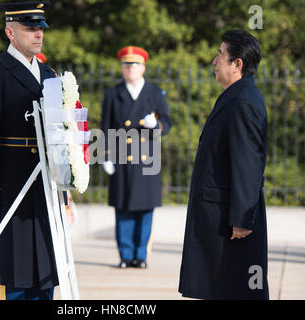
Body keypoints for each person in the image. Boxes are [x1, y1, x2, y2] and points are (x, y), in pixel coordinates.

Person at [0, 1, 59, 300]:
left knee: (44, 276)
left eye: (40, 28)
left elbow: (58, 138)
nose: (38, 34)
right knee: (13, 278)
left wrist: (62, 195)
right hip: (10, 190)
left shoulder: (50, 75)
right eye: (30, 28)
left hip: (43, 193)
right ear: (10, 32)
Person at [178, 30, 269, 300]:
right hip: (219, 218)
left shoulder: (244, 102)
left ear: (237, 64)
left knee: (236, 291)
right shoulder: (236, 96)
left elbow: (247, 164)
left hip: (231, 224)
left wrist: (241, 220)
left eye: (220, 55)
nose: (214, 61)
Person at [101, 46, 172, 269]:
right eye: (126, 65)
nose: (130, 69)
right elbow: (105, 127)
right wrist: (105, 155)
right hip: (121, 157)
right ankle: (125, 255)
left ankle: (141, 255)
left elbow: (168, 122)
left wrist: (157, 125)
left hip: (147, 158)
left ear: (143, 68)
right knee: (123, 207)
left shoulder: (155, 93)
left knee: (145, 208)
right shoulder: (113, 94)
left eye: (134, 65)